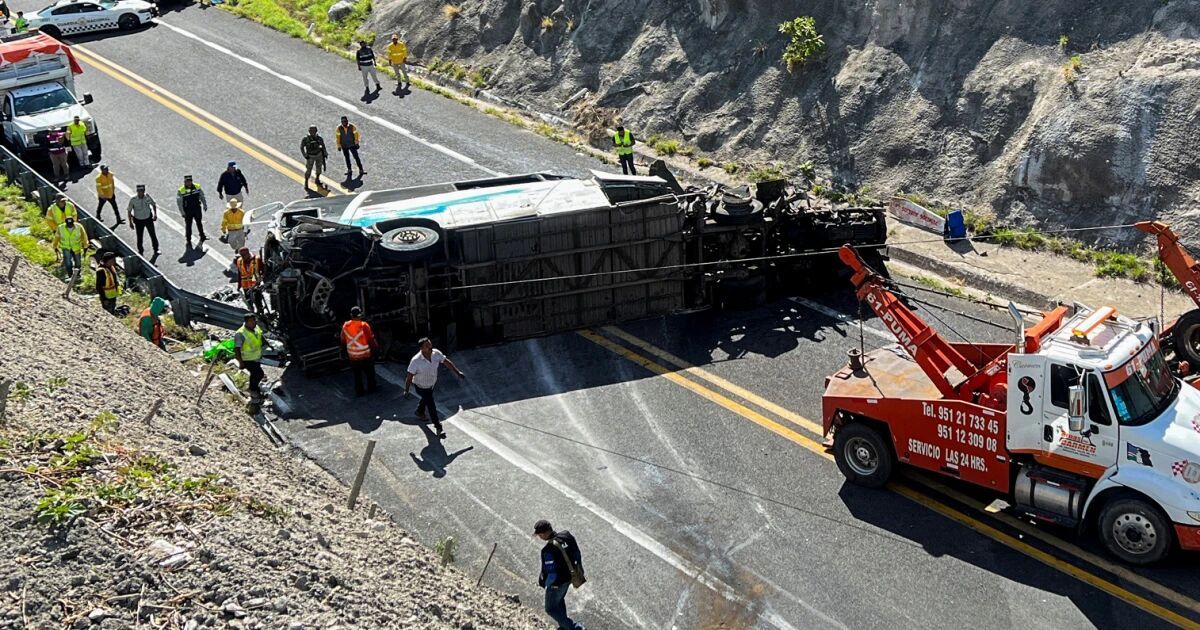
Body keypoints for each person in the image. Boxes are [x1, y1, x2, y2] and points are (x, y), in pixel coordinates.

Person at [402, 337, 465, 439]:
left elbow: (446, 362)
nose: (430, 347)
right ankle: (438, 426)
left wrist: (457, 372)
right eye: (427, 345)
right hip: (420, 386)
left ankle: (419, 411)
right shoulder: (415, 361)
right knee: (431, 405)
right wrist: (406, 390)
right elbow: (409, 377)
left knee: (427, 398)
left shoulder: (436, 353)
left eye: (430, 344)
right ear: (421, 348)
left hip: (431, 384)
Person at [534, 520, 586, 630]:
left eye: (539, 535)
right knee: (559, 601)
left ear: (544, 534)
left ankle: (575, 628)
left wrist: (545, 584)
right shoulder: (566, 535)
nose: (539, 537)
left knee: (551, 609)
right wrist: (579, 569)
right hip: (569, 578)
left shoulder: (547, 550)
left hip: (556, 584)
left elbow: (551, 575)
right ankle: (563, 627)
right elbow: (577, 553)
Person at [341, 306, 379, 396]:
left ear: (351, 315)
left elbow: (343, 340)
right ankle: (371, 388)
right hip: (365, 355)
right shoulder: (364, 325)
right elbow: (371, 339)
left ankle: (359, 391)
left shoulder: (345, 326)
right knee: (370, 373)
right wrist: (376, 350)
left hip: (353, 357)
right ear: (360, 315)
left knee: (357, 375)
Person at [234, 312, 265, 400]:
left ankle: (254, 387)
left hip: (256, 357)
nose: (254, 322)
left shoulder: (255, 327)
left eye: (255, 320)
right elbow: (236, 349)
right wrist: (241, 363)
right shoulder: (240, 334)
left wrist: (267, 344)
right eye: (252, 321)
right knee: (259, 374)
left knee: (255, 374)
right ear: (246, 322)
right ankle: (252, 390)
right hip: (247, 359)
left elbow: (260, 335)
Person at [126, 184, 159, 255]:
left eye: (142, 191)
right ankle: (140, 251)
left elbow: (153, 204)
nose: (141, 192)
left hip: (148, 219)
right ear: (137, 191)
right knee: (139, 236)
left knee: (152, 234)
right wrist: (130, 222)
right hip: (138, 221)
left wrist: (155, 214)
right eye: (139, 191)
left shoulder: (147, 197)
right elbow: (129, 210)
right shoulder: (133, 199)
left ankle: (156, 249)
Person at [176, 175, 207, 246]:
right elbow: (179, 203)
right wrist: (182, 212)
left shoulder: (197, 186)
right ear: (184, 182)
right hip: (188, 210)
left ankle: (202, 236)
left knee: (199, 222)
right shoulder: (181, 190)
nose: (189, 183)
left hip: (197, 208)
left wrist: (204, 204)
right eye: (187, 181)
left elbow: (202, 196)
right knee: (188, 225)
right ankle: (188, 240)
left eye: (190, 181)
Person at [232, 247, 263, 312]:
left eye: (244, 255)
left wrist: (261, 278)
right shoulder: (239, 261)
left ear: (248, 253)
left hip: (255, 283)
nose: (243, 257)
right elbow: (240, 274)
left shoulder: (257, 259)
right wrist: (239, 286)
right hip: (245, 285)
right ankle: (252, 312)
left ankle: (260, 312)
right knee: (248, 300)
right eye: (241, 255)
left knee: (257, 299)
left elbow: (263, 270)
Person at [301, 126, 328, 191]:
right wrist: (305, 155)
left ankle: (317, 179)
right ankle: (306, 181)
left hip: (319, 155)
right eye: (311, 131)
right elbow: (302, 147)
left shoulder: (319, 138)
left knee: (319, 168)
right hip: (310, 156)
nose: (312, 132)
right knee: (308, 170)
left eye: (314, 131)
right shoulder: (305, 139)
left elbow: (323, 146)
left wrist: (325, 153)